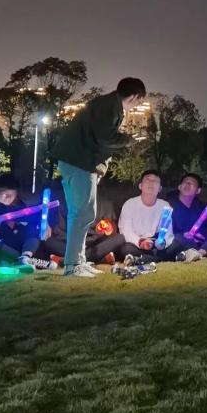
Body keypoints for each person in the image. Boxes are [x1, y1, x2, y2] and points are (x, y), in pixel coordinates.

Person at [49, 77, 146, 277]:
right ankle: (73, 265)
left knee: (81, 213)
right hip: (80, 162)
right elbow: (105, 138)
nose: (137, 105)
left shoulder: (108, 105)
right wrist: (129, 139)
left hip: (77, 162)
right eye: (139, 100)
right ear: (134, 97)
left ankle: (77, 261)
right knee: (83, 213)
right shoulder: (109, 107)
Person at [166, 173, 207, 262]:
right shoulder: (168, 205)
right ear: (179, 187)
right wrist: (184, 234)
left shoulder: (201, 208)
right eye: (185, 182)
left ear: (198, 190)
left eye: (192, 183)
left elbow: (205, 228)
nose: (188, 184)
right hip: (179, 241)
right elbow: (166, 230)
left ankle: (199, 253)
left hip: (198, 243)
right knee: (177, 238)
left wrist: (200, 234)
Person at [0, 174, 45, 267]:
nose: (9, 199)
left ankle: (25, 257)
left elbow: (29, 217)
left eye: (12, 196)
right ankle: (20, 259)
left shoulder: (18, 205)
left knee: (33, 228)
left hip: (17, 243)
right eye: (6, 195)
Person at [117, 170, 173, 262]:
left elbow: (168, 232)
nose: (151, 183)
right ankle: (152, 258)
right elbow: (125, 230)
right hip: (136, 243)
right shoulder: (130, 204)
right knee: (126, 249)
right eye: (147, 180)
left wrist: (162, 242)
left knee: (174, 245)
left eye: (155, 181)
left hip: (155, 243)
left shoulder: (165, 206)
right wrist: (141, 242)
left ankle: (141, 259)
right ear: (140, 186)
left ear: (160, 188)